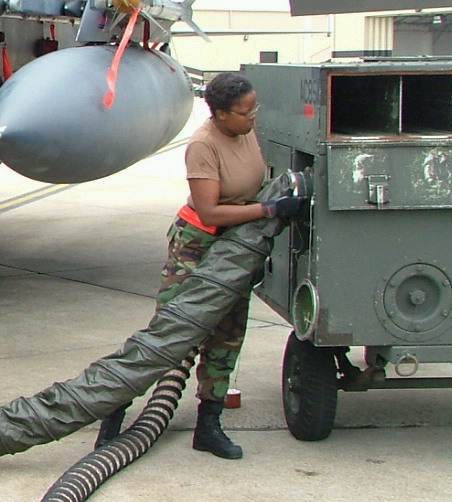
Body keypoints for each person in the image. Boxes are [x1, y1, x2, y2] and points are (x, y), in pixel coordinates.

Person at [97, 71, 303, 459]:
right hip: (198, 245)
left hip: (236, 243)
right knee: (170, 334)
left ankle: (209, 424)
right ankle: (115, 409)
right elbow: (210, 210)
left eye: (254, 109)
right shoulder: (203, 145)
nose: (253, 117)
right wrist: (269, 210)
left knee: (228, 334)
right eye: (245, 112)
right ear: (221, 113)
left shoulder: (246, 132)